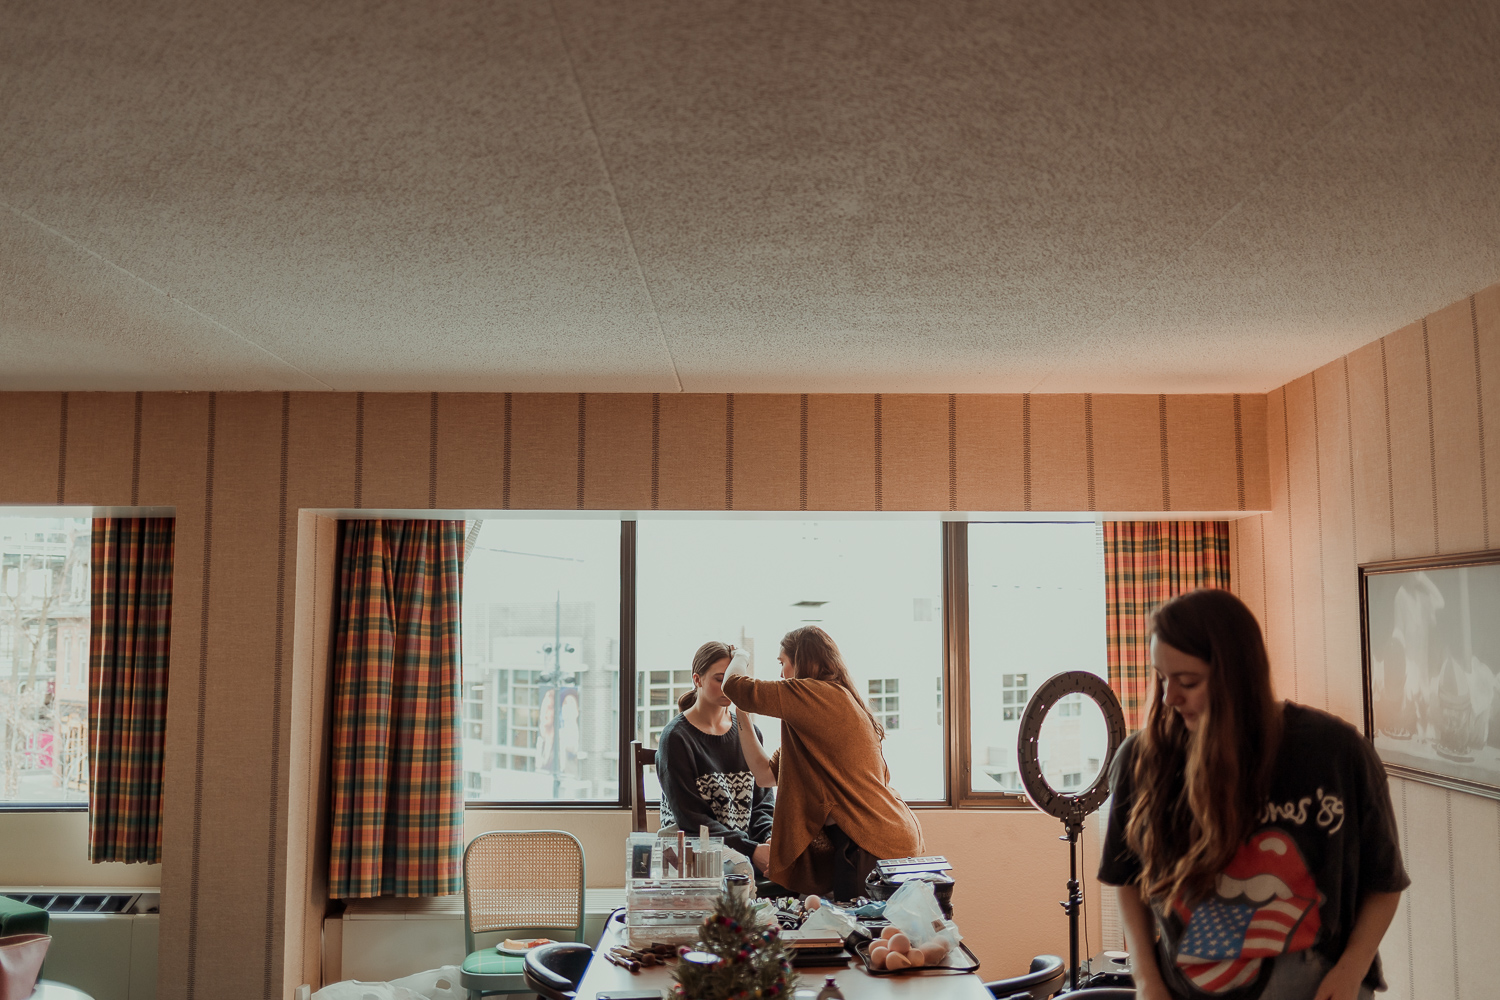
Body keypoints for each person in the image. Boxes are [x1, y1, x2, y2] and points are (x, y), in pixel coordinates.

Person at [1098, 588, 1409, 1000]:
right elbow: (1127, 880)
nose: (1170, 698)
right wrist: (1147, 981)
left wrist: (1352, 969)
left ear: (1237, 679)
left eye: (1187, 682)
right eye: (1162, 678)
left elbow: (1384, 882)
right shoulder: (1143, 760)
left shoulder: (1336, 752)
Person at [723, 625, 923, 900]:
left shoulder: (817, 694)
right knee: (859, 934)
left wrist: (741, 655)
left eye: (783, 662)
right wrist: (741, 713)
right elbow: (764, 775)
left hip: (870, 840)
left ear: (803, 661)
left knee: (861, 935)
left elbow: (734, 685)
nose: (781, 673)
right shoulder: (818, 713)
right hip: (870, 837)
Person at [655, 641, 776, 878]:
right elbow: (691, 819)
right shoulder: (676, 738)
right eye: (720, 679)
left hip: (743, 847)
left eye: (733, 680)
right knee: (741, 870)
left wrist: (768, 840)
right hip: (689, 849)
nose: (728, 688)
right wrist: (752, 850)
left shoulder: (750, 734)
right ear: (697, 679)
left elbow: (763, 804)